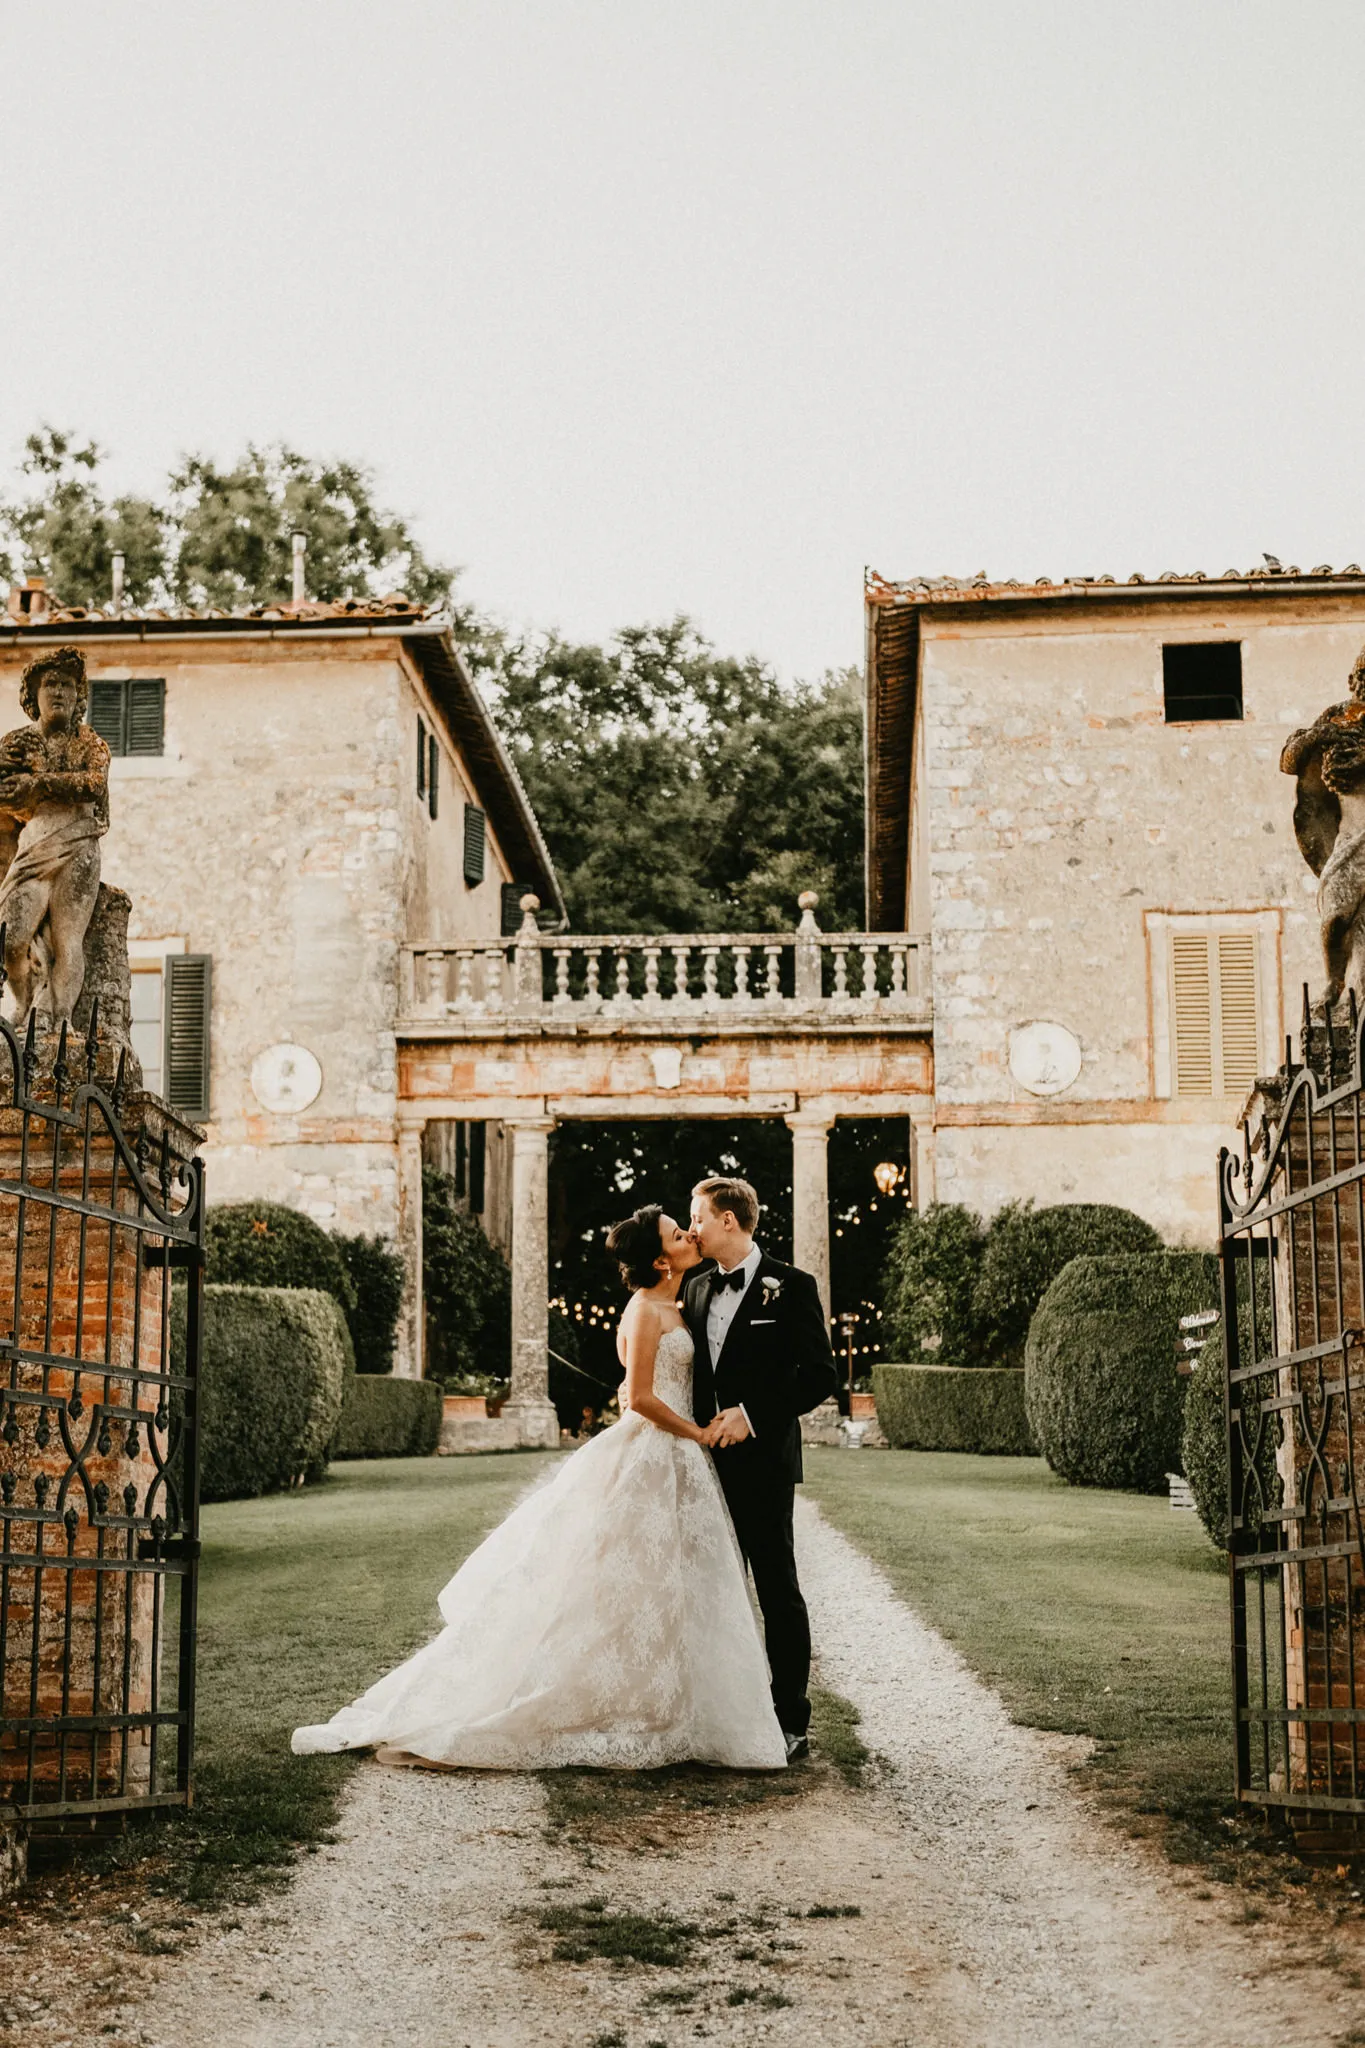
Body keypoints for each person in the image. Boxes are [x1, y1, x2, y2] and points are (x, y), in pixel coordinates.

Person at [292, 1205, 786, 1771]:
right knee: (623, 1582)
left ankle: (672, 1703)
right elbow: (643, 1397)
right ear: (658, 1258)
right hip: (656, 1450)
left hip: (676, 1459)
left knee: (667, 1586)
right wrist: (696, 1431)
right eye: (679, 1233)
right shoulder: (647, 1310)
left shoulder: (678, 1301)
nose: (690, 1234)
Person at [684, 1176, 839, 1762]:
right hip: (701, 1466)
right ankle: (717, 1715)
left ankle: (789, 1720)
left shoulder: (792, 1286)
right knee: (710, 1592)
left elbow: (819, 1374)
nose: (691, 1227)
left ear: (729, 1219)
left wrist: (752, 1415)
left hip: (765, 1464)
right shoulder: (695, 1289)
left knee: (778, 1591)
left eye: (697, 1216)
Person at [0, 646, 110, 1029]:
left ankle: (59, 1017)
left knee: (67, 940)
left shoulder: (90, 743)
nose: (59, 692)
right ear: (34, 695)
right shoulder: (16, 743)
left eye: (66, 685)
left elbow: (93, 785)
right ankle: (23, 1001)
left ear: (78, 697)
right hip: (34, 845)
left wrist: (39, 783)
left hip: (78, 843)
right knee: (11, 938)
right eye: (50, 684)